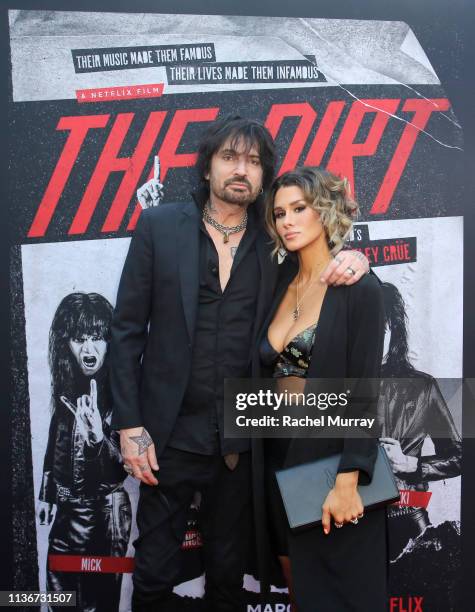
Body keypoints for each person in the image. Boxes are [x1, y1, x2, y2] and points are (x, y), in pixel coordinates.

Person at [109, 116, 369, 612]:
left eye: (253, 161)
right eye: (230, 157)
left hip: (244, 440)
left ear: (263, 174)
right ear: (207, 166)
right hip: (167, 436)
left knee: (230, 574)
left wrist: (359, 259)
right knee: (154, 573)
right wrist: (129, 425)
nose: (241, 170)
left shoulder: (276, 238)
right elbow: (124, 333)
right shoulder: (159, 226)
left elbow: (320, 264)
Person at [253, 166, 387, 611]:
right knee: (300, 594)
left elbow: (365, 389)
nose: (287, 221)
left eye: (299, 208)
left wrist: (350, 478)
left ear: (323, 211)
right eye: (278, 213)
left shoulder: (359, 289)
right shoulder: (276, 283)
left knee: (342, 597)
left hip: (330, 468)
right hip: (276, 463)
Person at [38, 292, 131, 612]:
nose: (88, 349)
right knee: (58, 597)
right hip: (66, 513)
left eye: (96, 338)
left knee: (96, 605)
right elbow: (55, 444)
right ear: (67, 344)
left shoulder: (127, 392)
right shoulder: (66, 390)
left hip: (105, 517)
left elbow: (133, 461)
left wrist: (97, 437)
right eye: (79, 339)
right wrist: (47, 494)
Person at [378, 282, 461, 558]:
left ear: (393, 329)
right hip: (354, 521)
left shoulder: (423, 386)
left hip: (408, 517)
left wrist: (410, 463)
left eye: (380, 323)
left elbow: (460, 456)